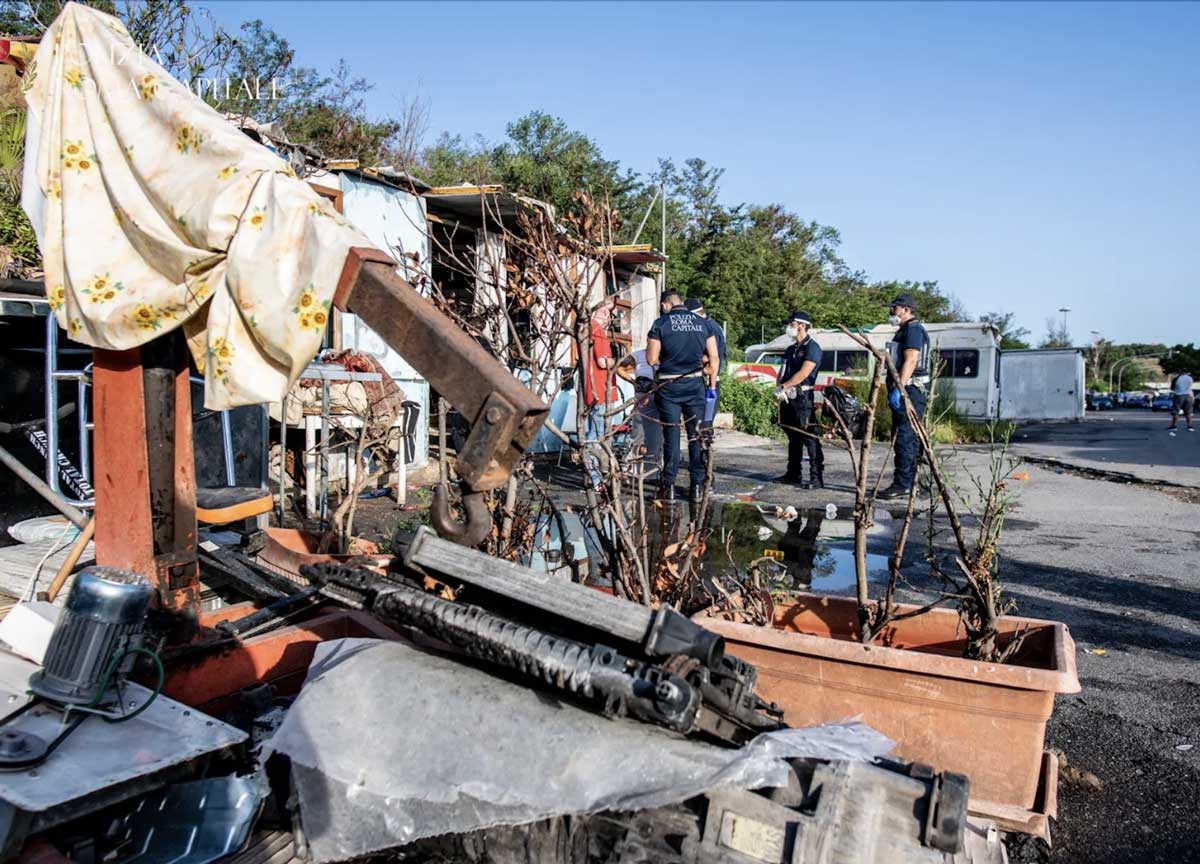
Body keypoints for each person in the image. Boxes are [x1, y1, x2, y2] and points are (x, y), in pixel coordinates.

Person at [646, 290, 720, 503]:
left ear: (665, 305)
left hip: (669, 386)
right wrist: (711, 385)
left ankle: (668, 487)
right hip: (695, 385)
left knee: (671, 437)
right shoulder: (703, 323)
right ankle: (696, 487)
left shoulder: (660, 323)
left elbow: (651, 359)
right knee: (695, 436)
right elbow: (714, 358)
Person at [878, 293, 931, 500]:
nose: (891, 312)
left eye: (895, 308)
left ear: (906, 309)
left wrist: (899, 389)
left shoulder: (913, 330)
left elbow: (911, 360)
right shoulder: (906, 330)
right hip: (907, 389)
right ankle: (912, 482)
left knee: (905, 437)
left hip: (910, 390)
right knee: (910, 437)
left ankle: (903, 484)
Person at [773, 311, 825, 488]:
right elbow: (783, 370)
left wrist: (784, 386)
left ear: (802, 325)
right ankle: (793, 473)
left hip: (803, 398)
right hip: (788, 397)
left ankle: (816, 477)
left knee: (808, 436)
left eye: (792, 323)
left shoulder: (812, 347)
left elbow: (804, 373)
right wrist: (779, 385)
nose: (789, 327)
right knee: (793, 436)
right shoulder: (791, 349)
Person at [582, 299, 620, 487]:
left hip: (591, 389)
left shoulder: (586, 330)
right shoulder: (597, 330)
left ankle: (595, 477)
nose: (609, 317)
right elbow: (603, 362)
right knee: (599, 438)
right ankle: (597, 479)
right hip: (601, 390)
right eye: (606, 312)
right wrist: (619, 361)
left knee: (594, 434)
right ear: (596, 312)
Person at [615, 346, 662, 472]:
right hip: (642, 396)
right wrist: (632, 381)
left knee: (656, 434)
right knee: (639, 433)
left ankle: (652, 469)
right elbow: (619, 368)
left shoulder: (664, 354)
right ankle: (630, 467)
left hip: (660, 396)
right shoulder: (638, 355)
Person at [685, 298, 727, 430]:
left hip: (709, 380)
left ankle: (704, 448)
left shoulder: (708, 328)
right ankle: (704, 446)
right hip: (710, 379)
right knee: (705, 421)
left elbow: (712, 357)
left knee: (704, 423)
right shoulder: (712, 325)